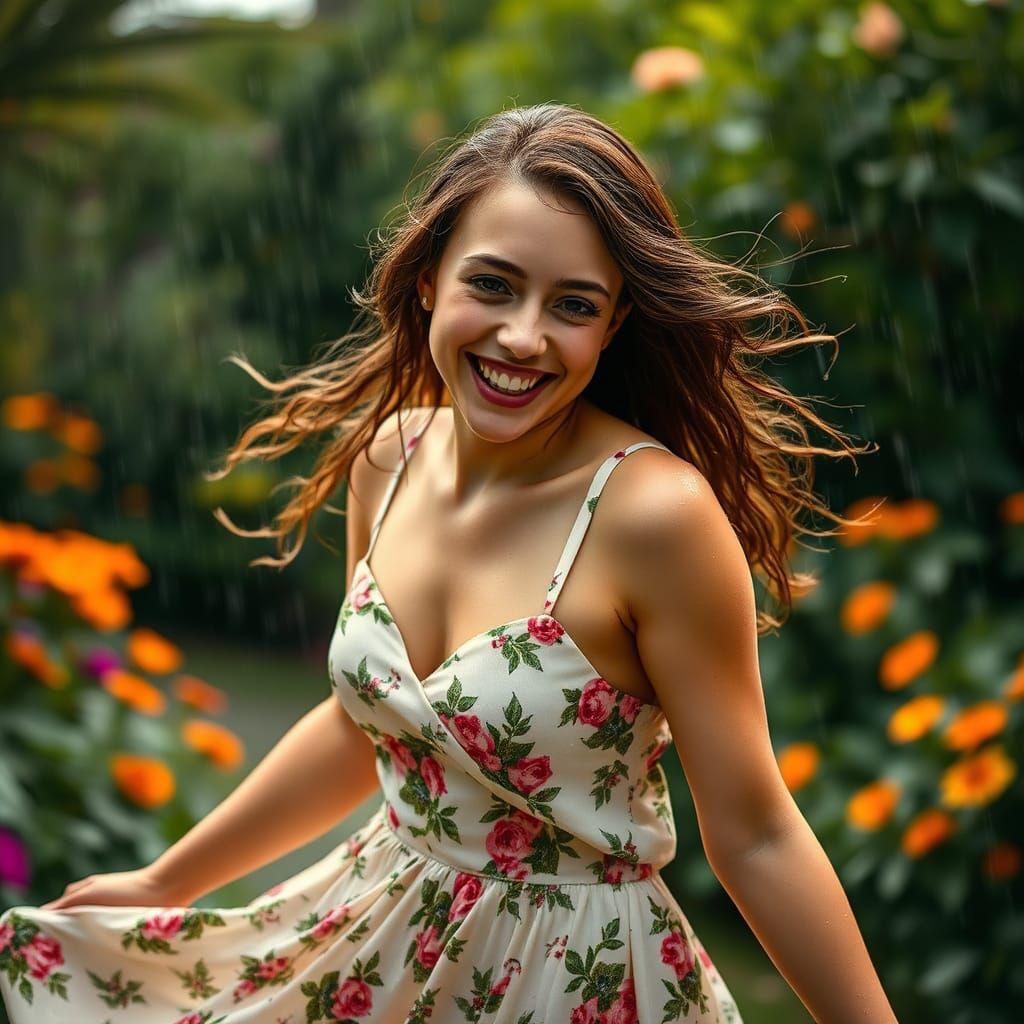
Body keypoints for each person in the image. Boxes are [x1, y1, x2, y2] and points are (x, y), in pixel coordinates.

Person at [0, 103, 899, 1023]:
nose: (523, 336)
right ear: (429, 279)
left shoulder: (653, 518)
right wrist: (164, 881)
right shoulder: (389, 462)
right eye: (495, 285)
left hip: (569, 979)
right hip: (380, 941)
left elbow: (754, 834)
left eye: (574, 305)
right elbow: (364, 730)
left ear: (616, 321)